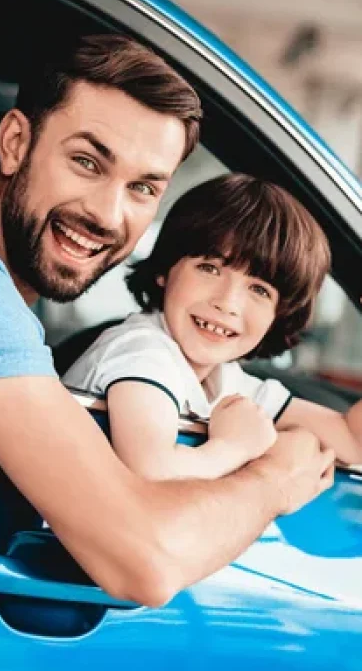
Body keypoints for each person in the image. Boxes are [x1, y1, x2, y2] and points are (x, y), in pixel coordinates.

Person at [0, 35, 335, 608]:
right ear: (15, 143)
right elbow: (144, 561)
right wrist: (273, 482)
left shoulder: (8, 295)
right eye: (87, 162)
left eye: (142, 187)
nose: (108, 215)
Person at [64, 173, 362, 482]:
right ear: (166, 269)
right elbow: (152, 470)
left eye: (259, 290)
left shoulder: (224, 379)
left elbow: (351, 441)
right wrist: (233, 448)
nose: (227, 302)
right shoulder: (142, 352)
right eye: (209, 269)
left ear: (278, 315)